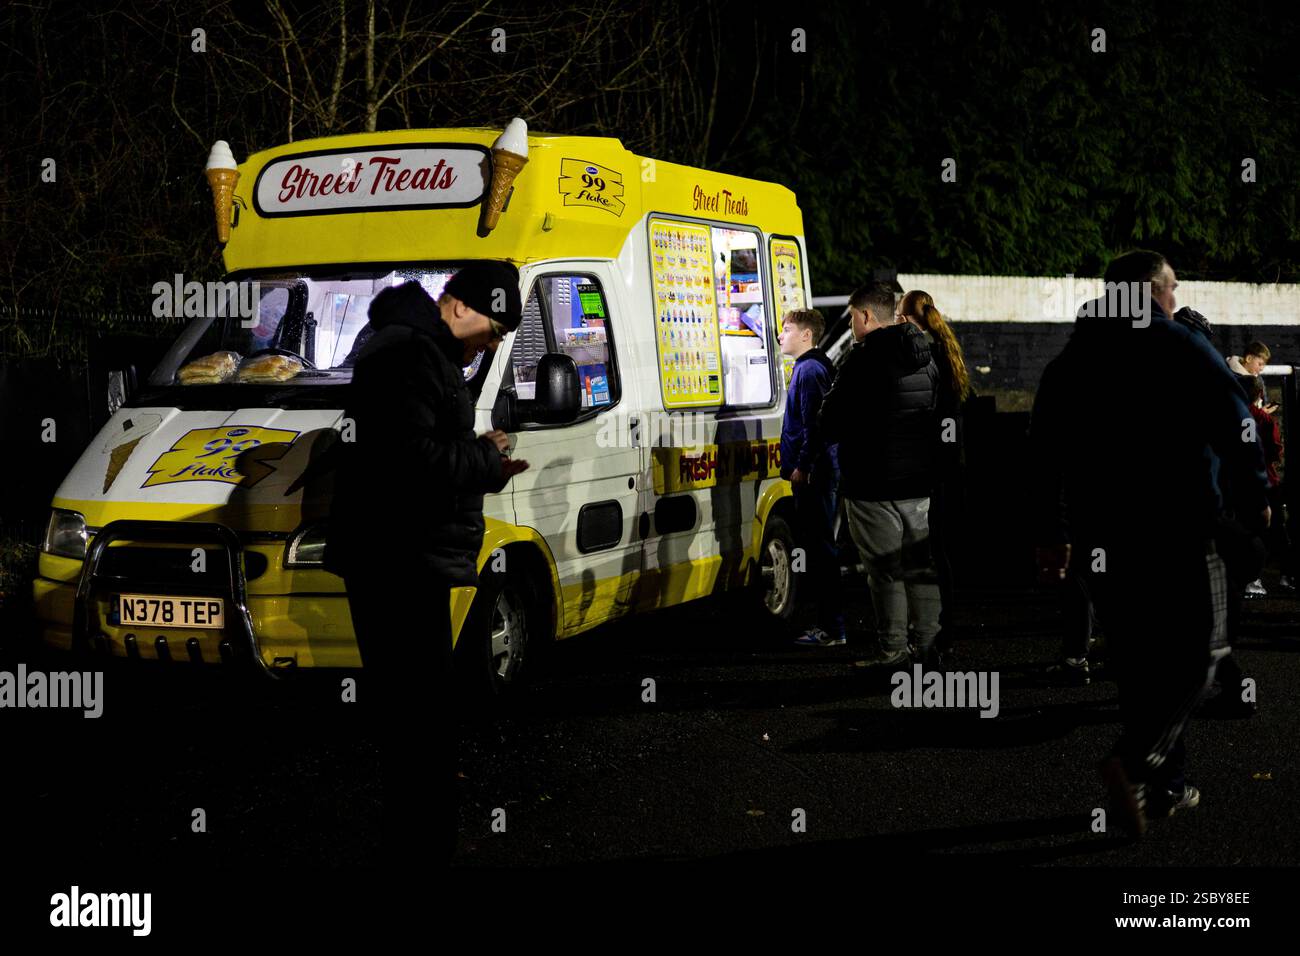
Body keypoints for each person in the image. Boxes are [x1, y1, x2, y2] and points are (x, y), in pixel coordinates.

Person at [1031, 249, 1270, 838]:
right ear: (1151, 291)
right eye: (1171, 287)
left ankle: (1161, 785)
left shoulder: (1074, 359)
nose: (1174, 297)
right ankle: (1138, 762)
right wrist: (1255, 492)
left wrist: (1052, 531)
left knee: (1140, 662)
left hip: (1103, 537)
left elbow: (1043, 453)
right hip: (1183, 529)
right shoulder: (1178, 346)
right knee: (1204, 656)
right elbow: (1236, 420)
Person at [323, 263, 529, 864]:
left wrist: (476, 454)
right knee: (420, 722)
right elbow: (408, 461)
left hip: (399, 557)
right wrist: (484, 462)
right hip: (398, 561)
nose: (492, 345)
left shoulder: (414, 349)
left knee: (418, 718)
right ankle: (421, 851)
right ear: (461, 307)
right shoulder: (410, 356)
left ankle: (419, 842)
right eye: (493, 331)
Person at [820, 281, 942, 668]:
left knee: (885, 573)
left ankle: (892, 650)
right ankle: (927, 645)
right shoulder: (927, 357)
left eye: (854, 317)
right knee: (921, 568)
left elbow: (829, 423)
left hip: (872, 484)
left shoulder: (862, 360)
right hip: (919, 483)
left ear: (867, 316)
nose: (853, 326)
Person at [898, 291, 971, 662]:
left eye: (898, 314)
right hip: (950, 464)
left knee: (930, 551)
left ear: (909, 317)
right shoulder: (946, 347)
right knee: (942, 552)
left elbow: (935, 415)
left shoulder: (924, 353)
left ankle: (936, 633)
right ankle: (946, 630)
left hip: (935, 467)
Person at [778, 308, 844, 646]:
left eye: (787, 329)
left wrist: (803, 466)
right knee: (820, 549)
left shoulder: (809, 371)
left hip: (814, 474)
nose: (780, 336)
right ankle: (829, 626)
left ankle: (832, 629)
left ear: (807, 335)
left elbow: (813, 428)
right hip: (814, 471)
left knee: (822, 551)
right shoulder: (809, 368)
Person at [1243, 375, 1290, 598]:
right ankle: (1285, 575)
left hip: (1246, 480)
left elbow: (1247, 446)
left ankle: (1254, 576)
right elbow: (1273, 450)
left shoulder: (1245, 417)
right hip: (1265, 480)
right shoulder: (1260, 418)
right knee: (1276, 529)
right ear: (1260, 394)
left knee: (1252, 528)